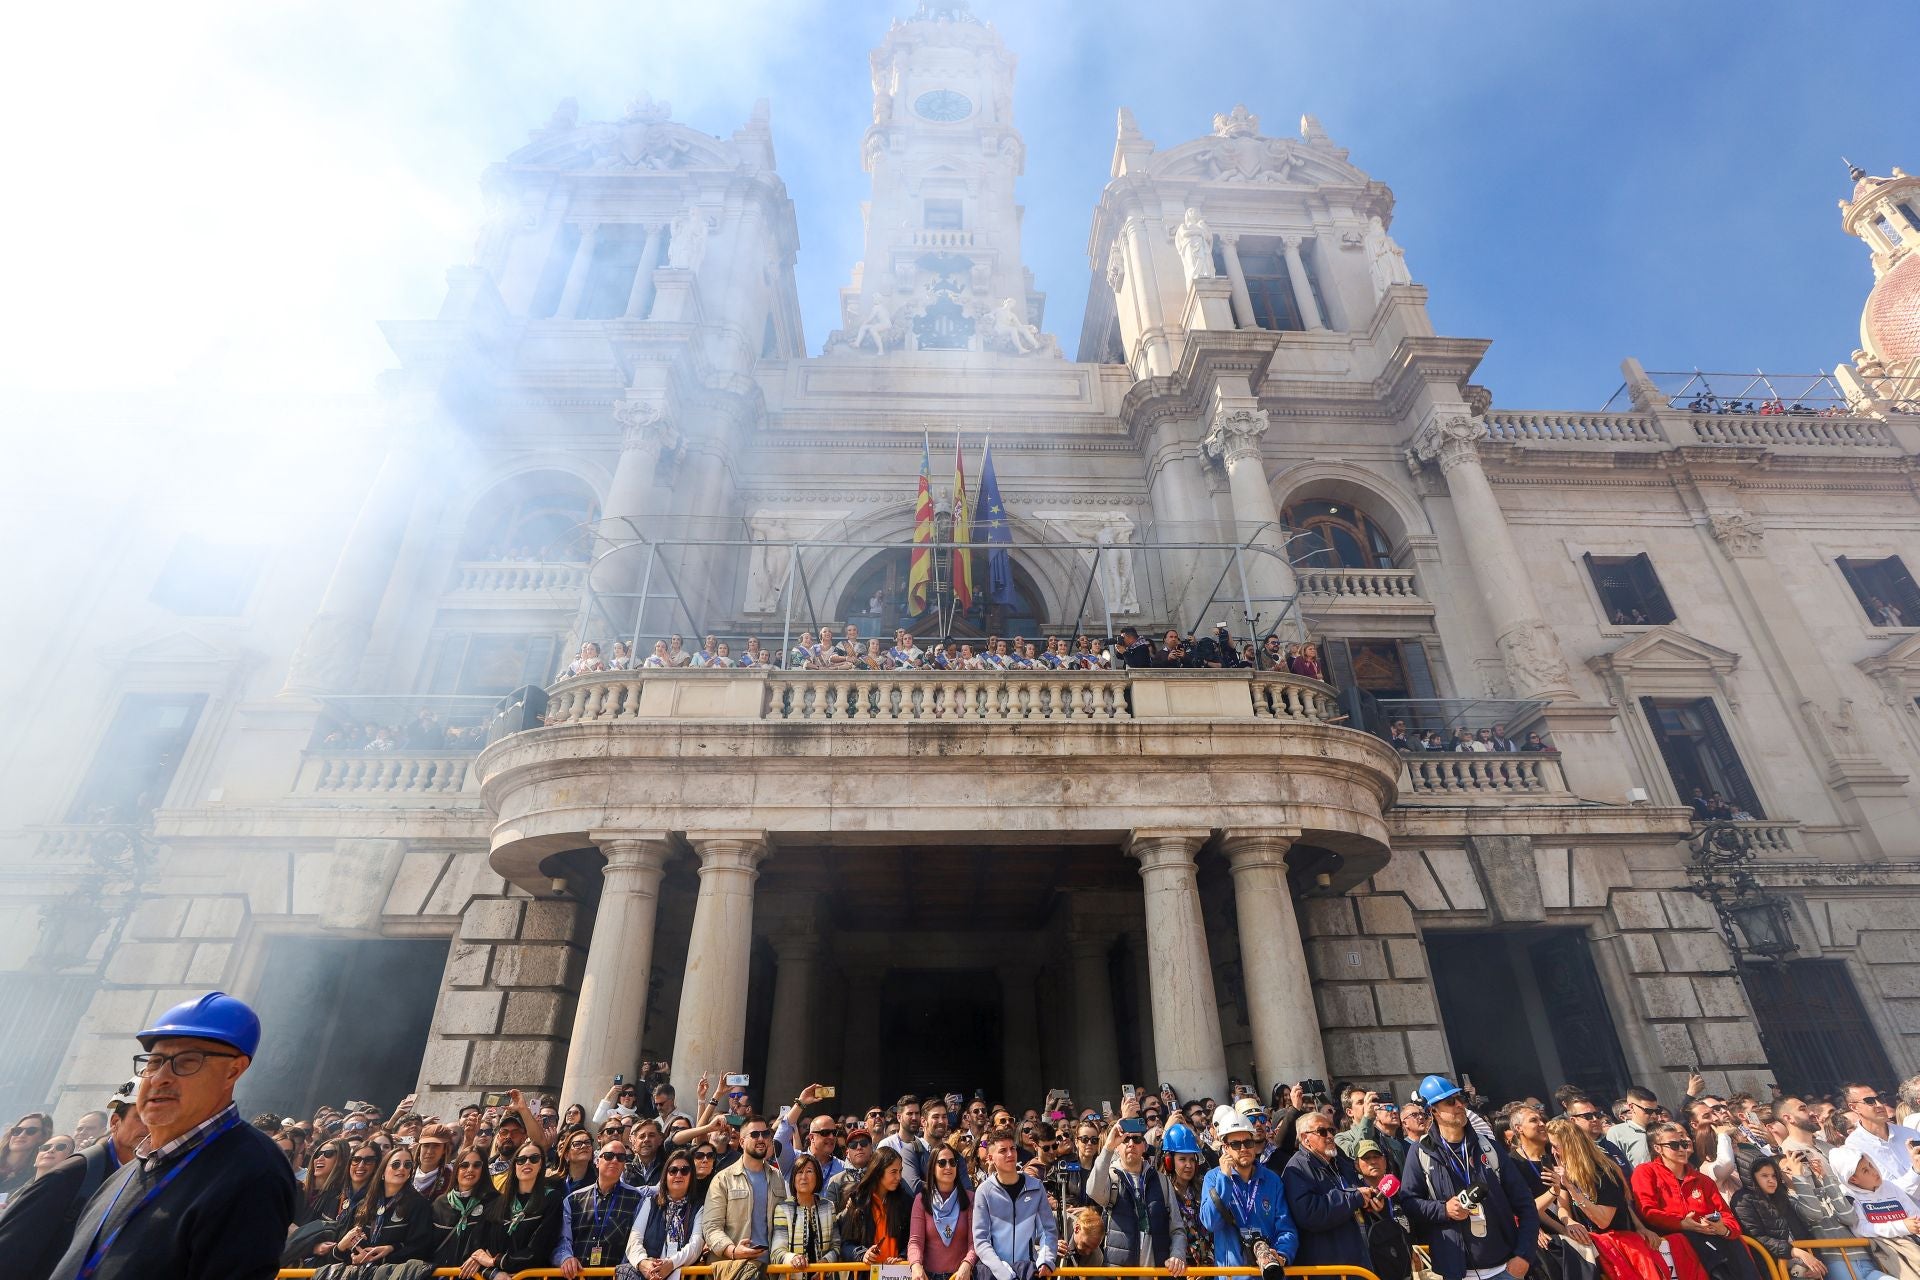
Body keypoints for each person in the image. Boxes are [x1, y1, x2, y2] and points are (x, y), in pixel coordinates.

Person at [46, 992, 296, 1280]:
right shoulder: (130, 1169)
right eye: (154, 1062)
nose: (159, 1078)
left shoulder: (253, 1172)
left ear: (233, 1070)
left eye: (187, 1061)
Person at [0, 1081, 146, 1280]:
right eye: (141, 1117)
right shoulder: (74, 1174)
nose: (151, 1126)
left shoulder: (136, 1174)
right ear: (115, 1122)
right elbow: (11, 1247)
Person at [1398, 1074, 1539, 1280]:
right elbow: (1409, 1203)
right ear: (1433, 1110)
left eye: (1459, 1099)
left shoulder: (1488, 1146)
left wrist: (1524, 1257)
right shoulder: (1420, 1152)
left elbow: (1525, 1203)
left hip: (1505, 1269)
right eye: (1450, 1101)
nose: (1459, 1105)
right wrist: (1443, 1210)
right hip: (1456, 1271)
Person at [1543, 1117, 1704, 1280]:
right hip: (1595, 1250)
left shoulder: (1603, 1172)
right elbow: (1562, 1207)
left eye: (1555, 1146)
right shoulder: (1566, 1172)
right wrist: (1569, 1222)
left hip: (1621, 1248)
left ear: (1570, 1146)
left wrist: (1572, 1189)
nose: (1553, 1152)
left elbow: (1603, 1220)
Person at [1630, 1121, 1757, 1280]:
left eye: (1684, 1143)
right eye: (1674, 1145)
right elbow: (1647, 1211)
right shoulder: (1645, 1172)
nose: (1682, 1149)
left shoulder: (1703, 1180)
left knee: (1735, 1245)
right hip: (1676, 1243)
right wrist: (1682, 1223)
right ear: (1657, 1148)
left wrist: (1722, 1229)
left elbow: (1727, 1217)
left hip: (1713, 1238)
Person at [1201, 1103, 1297, 1280]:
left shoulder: (1272, 1180)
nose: (1243, 1148)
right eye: (1235, 1144)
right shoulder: (1213, 1178)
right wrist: (1225, 1179)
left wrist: (1282, 1255)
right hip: (1232, 1276)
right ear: (1225, 1147)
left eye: (1248, 1142)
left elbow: (1286, 1228)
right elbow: (1210, 1223)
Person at [1284, 1109, 1384, 1270]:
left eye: (1331, 1130)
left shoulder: (1341, 1162)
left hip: (1360, 1261)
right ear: (1305, 1138)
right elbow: (1309, 1213)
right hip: (1328, 1267)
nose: (1330, 1136)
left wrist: (1370, 1203)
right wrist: (1355, 1198)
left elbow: (1356, 1195)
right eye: (1322, 1132)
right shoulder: (1296, 1169)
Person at [1086, 1114, 1187, 1270]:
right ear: (1118, 1146)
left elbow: (1177, 1228)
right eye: (1125, 1139)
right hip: (1120, 1274)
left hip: (1157, 1273)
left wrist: (1177, 1254)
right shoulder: (1111, 1177)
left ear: (1145, 1146)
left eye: (1137, 1139)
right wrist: (1107, 1147)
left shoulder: (1161, 1180)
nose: (1131, 1144)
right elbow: (1092, 1190)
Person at [701, 1113, 787, 1271]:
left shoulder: (777, 1177)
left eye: (765, 1134)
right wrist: (732, 1250)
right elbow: (711, 1227)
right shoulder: (723, 1179)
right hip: (733, 1269)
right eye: (754, 1134)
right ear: (741, 1141)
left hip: (770, 1270)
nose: (761, 1139)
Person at [972, 1127, 1059, 1280]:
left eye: (1012, 1148)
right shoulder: (984, 1191)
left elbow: (1048, 1231)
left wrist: (1046, 1260)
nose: (1010, 1154)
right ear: (990, 1158)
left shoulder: (1036, 1186)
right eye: (1003, 1151)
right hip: (996, 1275)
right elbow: (981, 1240)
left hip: (1028, 1272)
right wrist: (1002, 1272)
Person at [331, 1144, 436, 1265]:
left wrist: (391, 1251)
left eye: (407, 1165)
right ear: (382, 1171)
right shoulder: (364, 1203)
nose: (402, 1168)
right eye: (396, 1164)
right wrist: (349, 1252)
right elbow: (342, 1247)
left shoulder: (419, 1204)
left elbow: (421, 1248)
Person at [473, 1139, 564, 1278]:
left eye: (534, 1158)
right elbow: (481, 1249)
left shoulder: (552, 1199)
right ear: (514, 1165)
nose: (527, 1162)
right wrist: (494, 1273)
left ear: (541, 1165)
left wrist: (495, 1261)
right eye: (521, 1159)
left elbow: (539, 1250)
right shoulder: (497, 1204)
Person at [1829, 1147, 1920, 1280]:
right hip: (1890, 1255)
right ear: (1853, 1179)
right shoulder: (1848, 1194)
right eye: (1865, 1170)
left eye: (1871, 1165)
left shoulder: (1889, 1186)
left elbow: (1914, 1214)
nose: (1874, 1171)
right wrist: (1901, 1226)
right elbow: (1861, 1229)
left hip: (1913, 1242)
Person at [556, 1136, 642, 1275]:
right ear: (597, 1161)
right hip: (578, 1276)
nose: (614, 1160)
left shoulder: (637, 1198)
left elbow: (637, 1242)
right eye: (608, 1156)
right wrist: (565, 1258)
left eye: (621, 1157)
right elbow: (563, 1239)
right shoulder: (573, 1199)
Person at [1733, 1157, 1824, 1280]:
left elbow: (1803, 1231)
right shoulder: (1742, 1200)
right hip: (1777, 1269)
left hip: (1804, 1267)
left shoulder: (1781, 1195)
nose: (1771, 1180)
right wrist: (1793, 1251)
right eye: (1764, 1176)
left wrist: (1816, 1263)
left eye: (1774, 1176)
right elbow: (1757, 1238)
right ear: (1751, 1177)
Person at [628, 1149, 704, 1280]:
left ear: (691, 1176)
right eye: (673, 1170)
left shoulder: (699, 1207)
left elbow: (696, 1244)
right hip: (648, 1275)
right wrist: (643, 1263)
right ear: (665, 1176)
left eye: (684, 1170)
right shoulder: (650, 1203)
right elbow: (634, 1239)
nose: (678, 1174)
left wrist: (670, 1264)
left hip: (680, 1274)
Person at [909, 1139, 976, 1280]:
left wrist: (967, 1264)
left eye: (953, 1162)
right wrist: (915, 1265)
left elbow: (975, 1242)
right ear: (932, 1168)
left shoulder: (971, 1199)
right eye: (942, 1163)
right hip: (929, 1276)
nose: (948, 1167)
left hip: (961, 1276)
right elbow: (915, 1241)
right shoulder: (921, 1200)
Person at [1843, 1084, 1920, 1199]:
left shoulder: (1909, 1133)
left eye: (1879, 1098)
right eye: (1869, 1101)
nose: (1879, 1105)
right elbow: (1882, 1190)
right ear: (1854, 1107)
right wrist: (1915, 1171)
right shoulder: (1854, 1147)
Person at [840, 1146, 913, 1262]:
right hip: (867, 1273)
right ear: (878, 1172)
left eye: (900, 1171)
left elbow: (912, 1240)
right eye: (893, 1172)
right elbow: (846, 1245)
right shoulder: (858, 1201)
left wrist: (903, 1257)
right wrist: (863, 1254)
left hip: (898, 1273)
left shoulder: (906, 1202)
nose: (899, 1177)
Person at [432, 1143, 497, 1271]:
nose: (470, 1169)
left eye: (477, 1165)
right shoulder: (440, 1203)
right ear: (456, 1170)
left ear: (483, 1170)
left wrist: (483, 1256)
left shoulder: (495, 1201)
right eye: (464, 1165)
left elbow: (497, 1242)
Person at [774, 1152, 842, 1267]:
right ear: (794, 1178)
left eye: (809, 1171)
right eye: (799, 1172)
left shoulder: (828, 1206)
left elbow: (836, 1246)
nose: (804, 1177)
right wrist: (793, 1258)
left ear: (817, 1176)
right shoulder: (783, 1209)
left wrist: (825, 1263)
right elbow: (777, 1252)